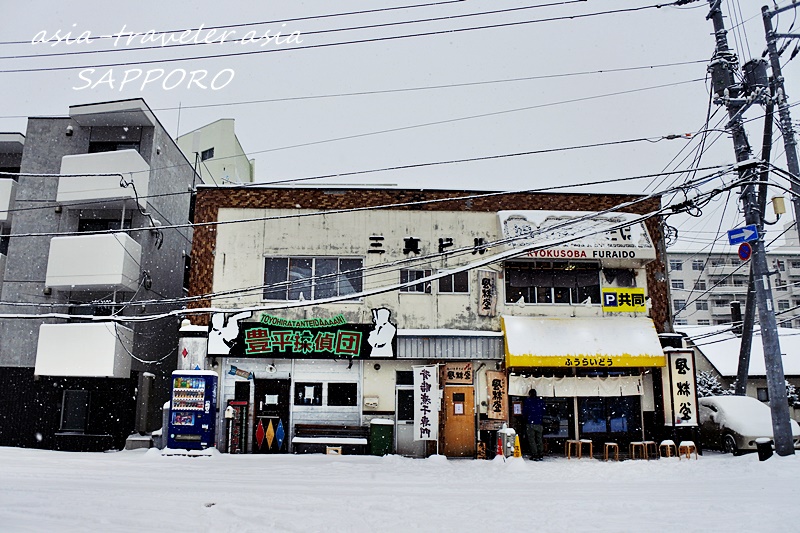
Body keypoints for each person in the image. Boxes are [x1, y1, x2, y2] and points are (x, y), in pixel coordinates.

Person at [523, 389, 546, 461]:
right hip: (539, 423)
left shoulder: (528, 401)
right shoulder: (540, 401)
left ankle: (535, 454)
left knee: (532, 440)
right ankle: (540, 454)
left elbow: (525, 412)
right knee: (539, 439)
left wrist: (525, 418)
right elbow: (544, 411)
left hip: (530, 423)